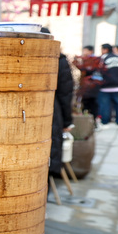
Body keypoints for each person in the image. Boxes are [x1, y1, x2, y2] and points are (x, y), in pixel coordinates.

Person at [49, 50, 75, 182]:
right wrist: (67, 121)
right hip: (51, 110)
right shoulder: (58, 59)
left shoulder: (59, 60)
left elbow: (65, 92)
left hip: (51, 110)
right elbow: (65, 93)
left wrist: (66, 120)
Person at [97, 43, 118, 129]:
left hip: (105, 86)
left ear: (105, 49)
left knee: (105, 105)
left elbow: (99, 72)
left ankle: (105, 122)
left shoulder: (103, 59)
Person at [75, 45, 103, 124]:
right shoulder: (89, 60)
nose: (84, 53)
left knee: (92, 103)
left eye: (85, 50)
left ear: (91, 51)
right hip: (88, 86)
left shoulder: (93, 60)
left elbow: (88, 71)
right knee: (88, 103)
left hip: (91, 86)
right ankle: (89, 121)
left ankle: (92, 121)